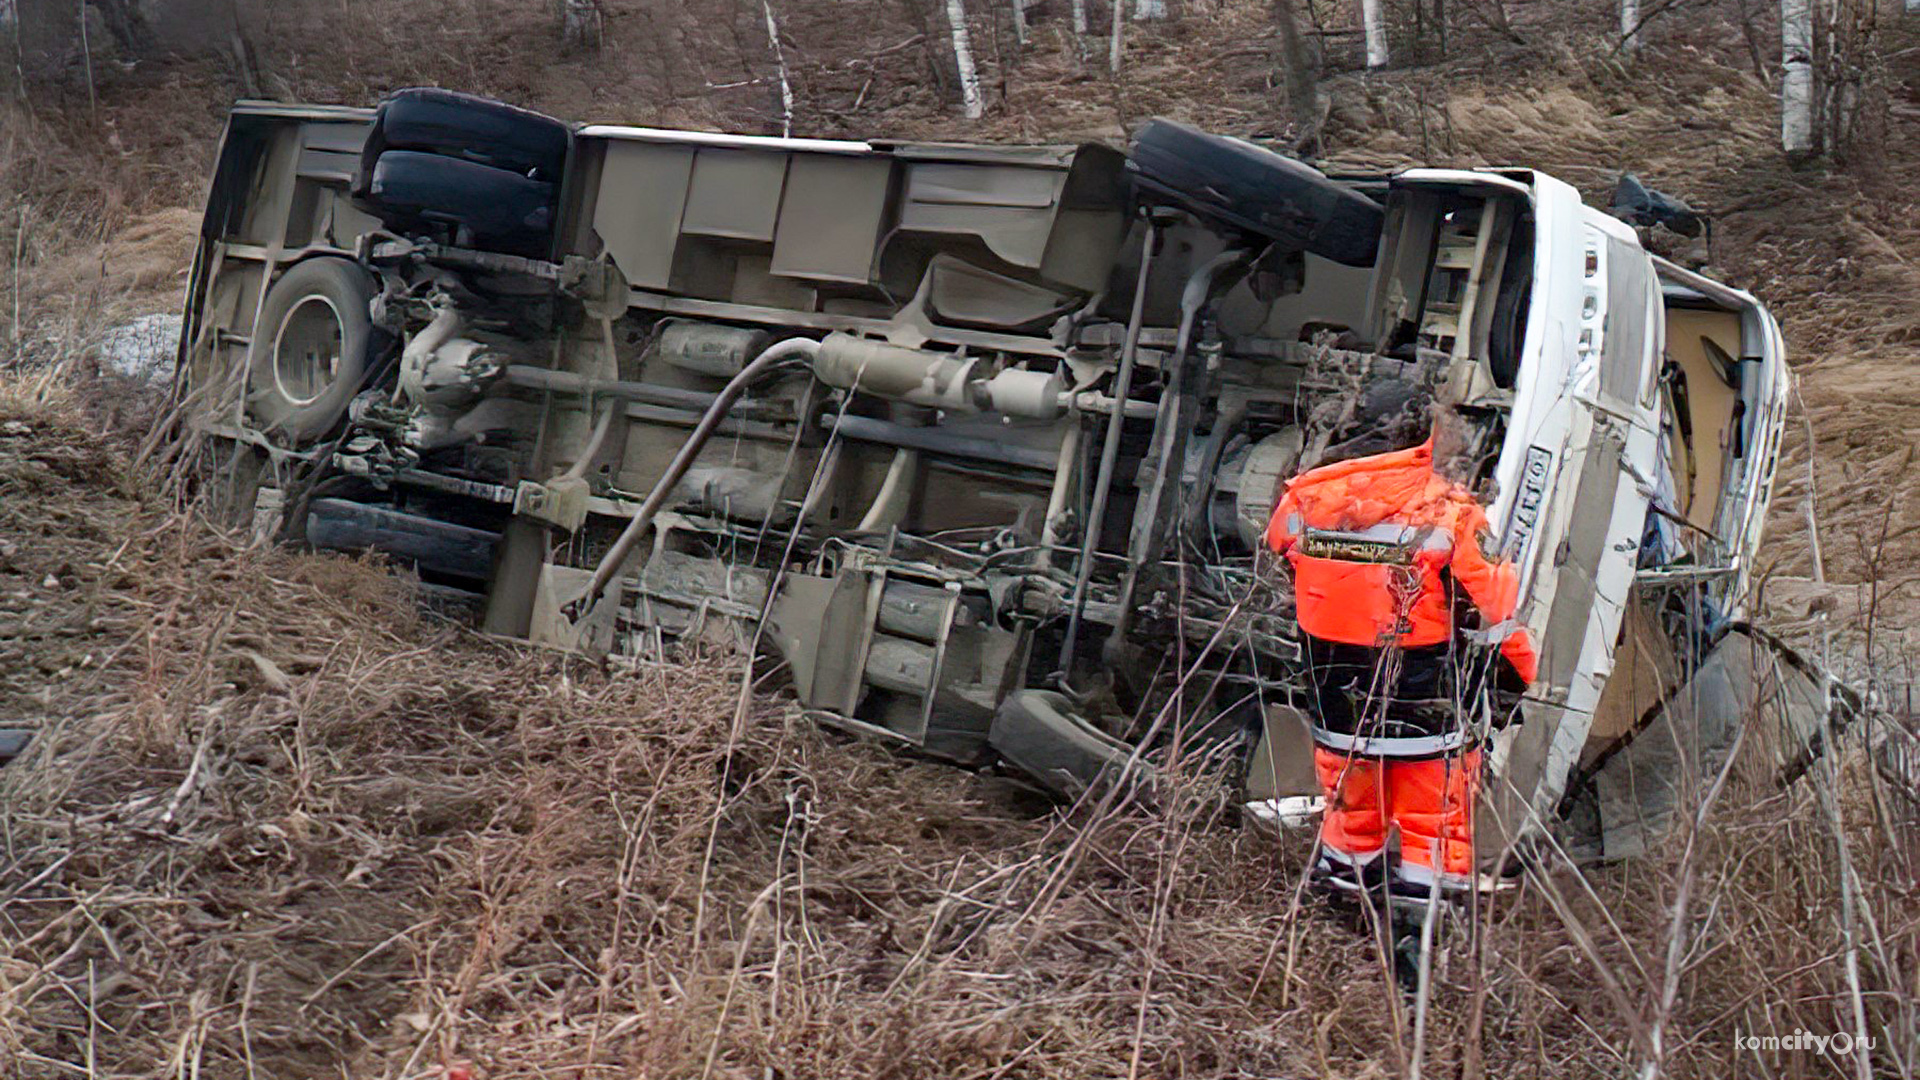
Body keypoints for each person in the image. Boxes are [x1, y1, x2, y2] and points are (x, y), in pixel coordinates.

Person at [1265, 380, 1537, 900]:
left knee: (1351, 821)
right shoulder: (1451, 515)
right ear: (1423, 438)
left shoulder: (1301, 502)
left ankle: (1344, 921)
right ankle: (1419, 942)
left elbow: (1282, 563)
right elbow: (1499, 612)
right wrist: (1516, 681)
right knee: (1434, 830)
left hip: (1336, 709)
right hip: (1427, 711)